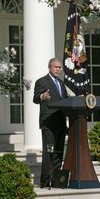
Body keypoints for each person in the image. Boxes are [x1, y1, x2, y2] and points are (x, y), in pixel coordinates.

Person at [33, 57, 68, 188]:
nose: (58, 70)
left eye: (59, 67)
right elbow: (35, 98)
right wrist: (43, 96)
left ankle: (57, 180)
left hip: (60, 123)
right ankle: (45, 181)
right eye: (55, 67)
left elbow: (64, 101)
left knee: (59, 152)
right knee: (49, 152)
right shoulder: (42, 81)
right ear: (50, 67)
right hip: (48, 123)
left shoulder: (61, 83)